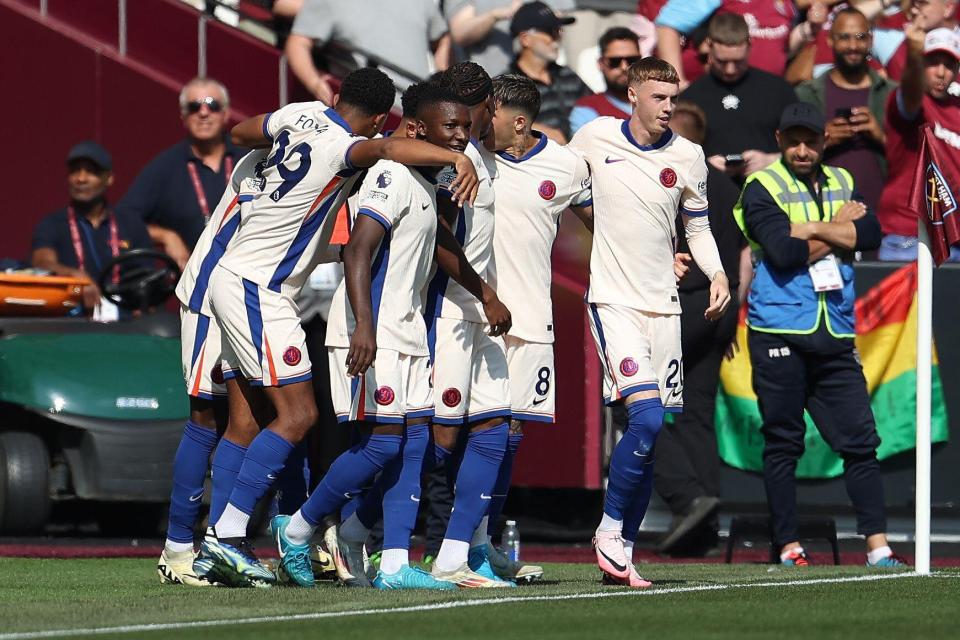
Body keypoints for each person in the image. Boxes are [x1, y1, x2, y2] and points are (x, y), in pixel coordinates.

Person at [199, 67, 481, 587]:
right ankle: (229, 535)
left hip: (247, 276)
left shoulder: (300, 116)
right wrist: (456, 157)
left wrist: (272, 147)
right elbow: (388, 153)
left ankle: (228, 538)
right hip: (259, 283)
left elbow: (240, 132)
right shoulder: (347, 148)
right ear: (381, 119)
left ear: (335, 95)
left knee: (256, 417)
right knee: (300, 414)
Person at [272, 81, 473, 591]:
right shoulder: (388, 173)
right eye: (450, 126)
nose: (460, 135)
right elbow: (358, 250)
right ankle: (298, 530)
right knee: (384, 445)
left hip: (406, 333)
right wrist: (364, 325)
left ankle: (392, 565)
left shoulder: (426, 183)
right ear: (416, 128)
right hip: (372, 332)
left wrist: (485, 293)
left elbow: (440, 247)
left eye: (466, 126)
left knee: (413, 444)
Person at [570, 57, 731, 587]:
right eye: (659, 97)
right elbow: (563, 185)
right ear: (633, 93)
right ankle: (610, 530)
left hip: (665, 306)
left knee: (650, 432)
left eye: (673, 96)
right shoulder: (594, 137)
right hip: (614, 301)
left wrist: (716, 273)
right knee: (647, 420)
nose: (669, 106)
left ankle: (623, 550)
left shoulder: (688, 156)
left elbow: (699, 226)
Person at [732, 102, 904, 568]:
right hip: (778, 330)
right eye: (794, 140)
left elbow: (871, 233)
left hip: (835, 330)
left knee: (860, 441)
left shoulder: (842, 181)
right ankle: (789, 545)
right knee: (784, 441)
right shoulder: (761, 185)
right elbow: (784, 253)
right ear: (779, 139)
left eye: (810, 140)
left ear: (824, 141)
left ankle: (878, 547)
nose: (803, 149)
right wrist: (838, 229)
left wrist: (809, 227)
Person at [487, 73, 593, 580]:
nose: (481, 120)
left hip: (528, 321)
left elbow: (608, 227)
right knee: (453, 432)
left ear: (520, 120)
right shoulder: (465, 156)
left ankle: (484, 542)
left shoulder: (566, 167)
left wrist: (666, 254)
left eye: (491, 112)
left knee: (509, 436)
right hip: (468, 317)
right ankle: (440, 543)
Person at [157, 148, 269, 587]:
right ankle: (179, 548)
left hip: (253, 297)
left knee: (258, 417)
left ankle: (224, 542)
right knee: (205, 415)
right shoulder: (266, 158)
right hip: (213, 294)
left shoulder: (321, 150)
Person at [651, 101, 744, 557]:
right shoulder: (728, 186)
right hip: (723, 305)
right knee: (696, 416)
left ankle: (686, 498)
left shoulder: (674, 180)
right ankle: (705, 532)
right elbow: (742, 256)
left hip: (686, 304)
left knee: (634, 401)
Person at [118, 78, 245, 268]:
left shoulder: (249, 159)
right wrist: (166, 236)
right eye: (194, 107)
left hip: (249, 274)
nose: (204, 113)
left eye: (213, 105)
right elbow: (122, 218)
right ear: (183, 117)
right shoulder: (166, 166)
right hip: (195, 281)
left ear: (226, 114)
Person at [32, 141, 152, 315]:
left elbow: (146, 277)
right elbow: (41, 261)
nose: (81, 178)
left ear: (109, 178)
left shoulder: (130, 224)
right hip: (72, 321)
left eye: (91, 171)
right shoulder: (52, 224)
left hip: (125, 324)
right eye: (75, 171)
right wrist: (75, 277)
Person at [795, 7, 897, 212]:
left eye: (860, 37)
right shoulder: (806, 95)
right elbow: (787, 158)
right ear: (830, 40)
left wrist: (880, 137)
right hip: (823, 214)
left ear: (870, 40)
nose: (853, 46)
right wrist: (822, 141)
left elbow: (913, 161)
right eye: (844, 37)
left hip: (885, 217)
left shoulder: (892, 94)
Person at [680, 13, 797, 181]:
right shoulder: (690, 98)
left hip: (771, 191)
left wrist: (771, 160)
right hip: (714, 196)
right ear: (709, 46)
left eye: (738, 61)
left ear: (749, 46)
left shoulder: (778, 89)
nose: (730, 70)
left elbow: (805, 145)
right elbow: (675, 155)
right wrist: (704, 165)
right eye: (722, 61)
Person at [877, 27, 960, 261]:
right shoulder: (912, 101)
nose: (941, 72)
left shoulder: (958, 108)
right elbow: (911, 92)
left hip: (953, 238)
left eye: (949, 65)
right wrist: (913, 55)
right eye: (933, 63)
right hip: (907, 236)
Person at [285, 0, 450, 103]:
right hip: (368, 112)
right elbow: (298, 43)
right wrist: (315, 83)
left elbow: (443, 38)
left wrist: (440, 74)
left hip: (419, 110)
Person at [654, 0, 798, 89]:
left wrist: (808, 30)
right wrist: (677, 82)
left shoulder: (786, 3)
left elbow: (780, 45)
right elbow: (667, 27)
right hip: (714, 94)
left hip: (763, 96)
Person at [508, 1, 591, 143]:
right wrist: (537, 131)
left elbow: (595, 105)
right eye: (551, 32)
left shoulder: (567, 75)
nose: (558, 39)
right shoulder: (508, 84)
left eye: (559, 31)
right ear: (525, 39)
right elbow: (496, 123)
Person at [446, 0, 576, 77]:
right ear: (524, 39)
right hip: (491, 90)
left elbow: (561, 16)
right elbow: (459, 34)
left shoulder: (571, 78)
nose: (556, 37)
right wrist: (495, 16)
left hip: (551, 81)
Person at [569, 27, 641, 135]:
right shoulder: (586, 110)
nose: (624, 67)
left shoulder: (663, 102)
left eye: (632, 60)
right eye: (615, 61)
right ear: (600, 63)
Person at [874, 0, 957, 82]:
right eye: (913, 3)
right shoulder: (894, 40)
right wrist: (884, 1)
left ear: (948, 8)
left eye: (923, 3)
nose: (913, 10)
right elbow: (861, 33)